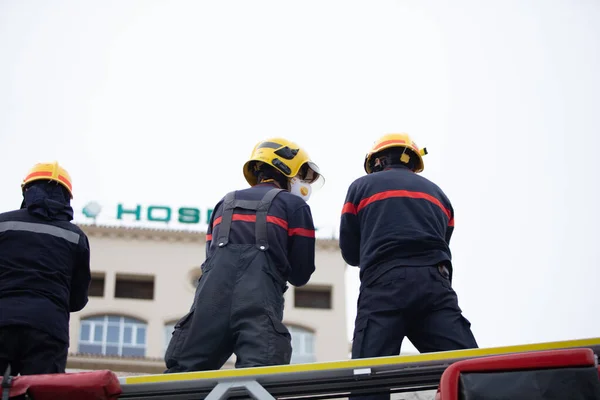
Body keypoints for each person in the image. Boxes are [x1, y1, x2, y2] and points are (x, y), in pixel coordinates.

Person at [165, 138, 323, 373]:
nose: (302, 183)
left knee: (183, 379)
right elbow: (301, 274)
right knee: (258, 381)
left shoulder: (224, 204)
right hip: (258, 309)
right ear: (287, 168)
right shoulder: (295, 206)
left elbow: (210, 257)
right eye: (301, 175)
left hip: (209, 306)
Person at [340, 133, 478, 399]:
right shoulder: (439, 195)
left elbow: (350, 252)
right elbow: (443, 241)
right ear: (413, 162)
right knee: (468, 370)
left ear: (378, 161)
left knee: (369, 376)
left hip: (383, 287)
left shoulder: (361, 187)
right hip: (435, 287)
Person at [0, 161, 91, 376]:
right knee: (42, 392)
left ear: (27, 191)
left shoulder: (2, 224)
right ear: (67, 197)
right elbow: (78, 300)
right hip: (48, 328)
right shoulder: (76, 236)